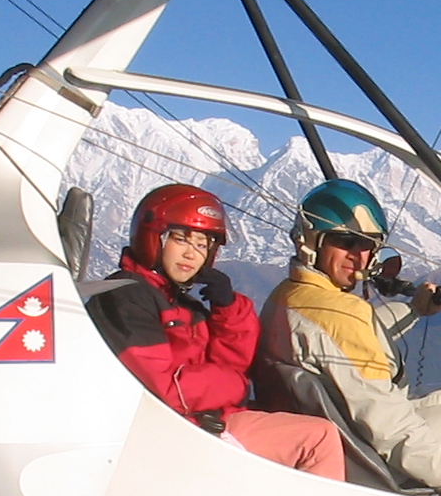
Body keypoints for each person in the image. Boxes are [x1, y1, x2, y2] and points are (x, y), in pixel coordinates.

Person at [257, 179, 441, 495]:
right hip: (370, 456)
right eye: (344, 241)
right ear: (311, 242)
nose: (359, 256)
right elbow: (384, 419)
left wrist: (413, 310)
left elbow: (350, 338)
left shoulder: (291, 296)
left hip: (349, 435)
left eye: (368, 244)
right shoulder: (337, 312)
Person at [87, 184, 343, 480]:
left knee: (314, 428)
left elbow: (234, 362)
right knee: (318, 440)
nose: (191, 254)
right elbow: (168, 392)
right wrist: (234, 384)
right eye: (181, 239)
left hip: (201, 421)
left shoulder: (180, 301)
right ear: (154, 239)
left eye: (202, 245)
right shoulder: (127, 298)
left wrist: (228, 308)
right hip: (172, 432)